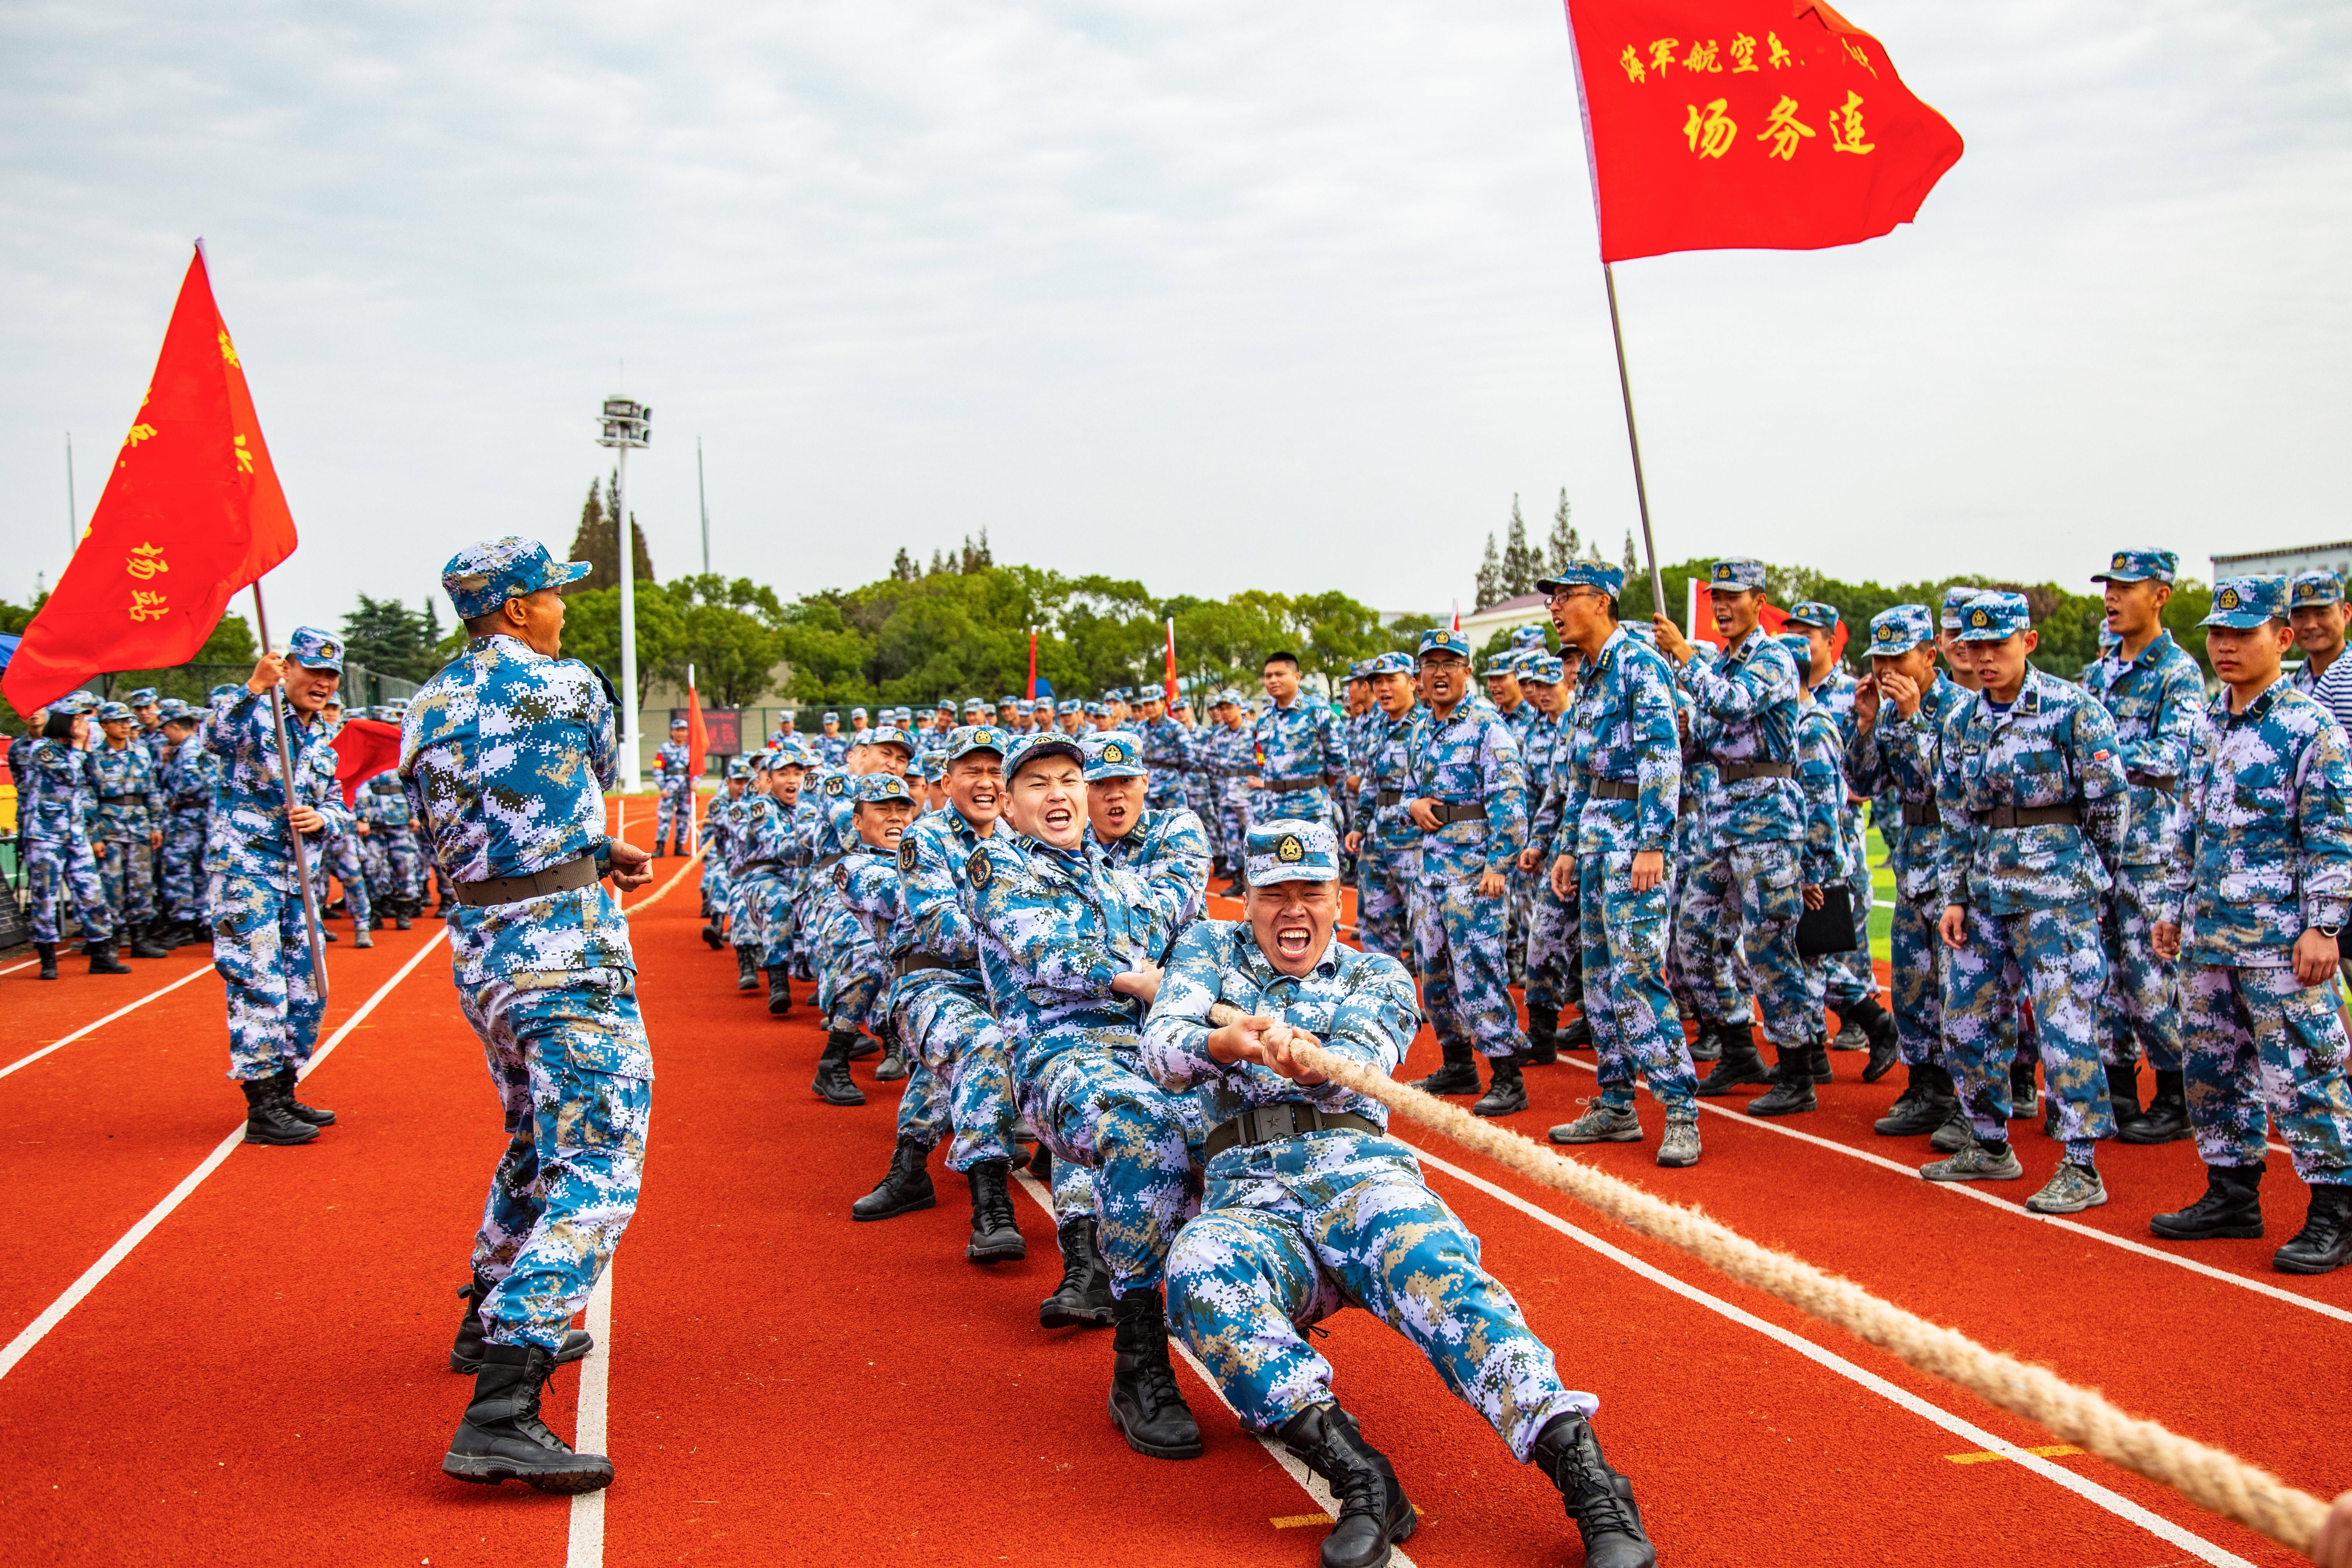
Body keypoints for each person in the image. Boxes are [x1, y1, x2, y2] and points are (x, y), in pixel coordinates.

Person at [1148, 818, 1657, 1568]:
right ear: (1247, 899)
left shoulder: (1376, 975)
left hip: (1355, 1172)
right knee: (1198, 1270)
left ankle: (1587, 1477)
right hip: (1249, 1191)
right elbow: (1163, 1046)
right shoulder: (1204, 952)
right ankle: (1361, 1476)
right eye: (1274, 894)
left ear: (1337, 898)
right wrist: (1224, 1043)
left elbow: (1362, 1058)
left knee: (1442, 1272)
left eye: (1312, 892)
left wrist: (1305, 1059)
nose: (1294, 910)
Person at [404, 536, 654, 1495]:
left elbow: (449, 828)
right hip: (565, 945)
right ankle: (505, 1400)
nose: (563, 608)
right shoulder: (567, 684)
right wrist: (582, 853)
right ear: (513, 608)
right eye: (551, 594)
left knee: (529, 1129)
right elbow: (587, 765)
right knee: (597, 1161)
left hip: (482, 945)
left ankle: (485, 1308)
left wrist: (594, 849)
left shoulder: (424, 700)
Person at [969, 730, 1200, 1460]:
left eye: (1071, 779)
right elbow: (1048, 948)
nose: (1060, 794)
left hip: (1145, 1050)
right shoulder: (995, 865)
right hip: (1059, 1057)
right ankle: (1139, 1362)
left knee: (1243, 1122)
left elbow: (1185, 924)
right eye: (1038, 784)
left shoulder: (1120, 877)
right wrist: (1137, 979)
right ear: (1008, 804)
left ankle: (1241, 1330)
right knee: (1141, 1128)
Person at [2149, 576, 2352, 1274]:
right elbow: (2187, 827)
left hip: (2279, 942)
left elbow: (2332, 835)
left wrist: (2324, 927)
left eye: (2244, 633)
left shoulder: (2309, 728)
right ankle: (2232, 1194)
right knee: (2213, 1072)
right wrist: (2172, 909)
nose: (2226, 646)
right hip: (2209, 937)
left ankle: (2336, 1208)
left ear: (2283, 639)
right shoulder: (2208, 722)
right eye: (2218, 633)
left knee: (2305, 1073)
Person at [1929, 591, 2129, 1214]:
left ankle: (2081, 1165)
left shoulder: (2074, 711)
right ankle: (1988, 1144)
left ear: (2028, 643)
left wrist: (2092, 878)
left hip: (2057, 896)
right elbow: (1956, 815)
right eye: (1974, 647)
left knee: (2065, 1027)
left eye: (1998, 645)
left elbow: (2110, 806)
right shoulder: (1962, 722)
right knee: (1965, 1020)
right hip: (1986, 890)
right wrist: (1955, 895)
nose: (1985, 658)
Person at [1540, 565, 1701, 1166]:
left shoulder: (1639, 663)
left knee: (1637, 976)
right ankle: (1615, 1103)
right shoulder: (1590, 677)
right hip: (1597, 845)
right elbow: (1583, 772)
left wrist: (1653, 843)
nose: (1555, 608)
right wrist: (1567, 848)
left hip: (1636, 845)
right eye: (1551, 599)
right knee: (1600, 976)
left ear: (1601, 601)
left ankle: (1681, 1108)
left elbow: (1663, 757)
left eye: (1565, 597)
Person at [1651, 560, 1822, 1114]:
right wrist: (1680, 722)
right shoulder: (1720, 663)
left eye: (1733, 597)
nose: (1722, 607)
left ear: (1758, 600)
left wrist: (1683, 659)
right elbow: (1704, 738)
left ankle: (1797, 1068)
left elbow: (1734, 704)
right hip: (1719, 816)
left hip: (1768, 817)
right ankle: (1736, 1044)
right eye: (1717, 597)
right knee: (1692, 937)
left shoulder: (1773, 657)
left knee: (1769, 943)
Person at [2081, 549, 2206, 1143]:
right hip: (2099, 849)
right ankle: (2119, 1087)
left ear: (2161, 596)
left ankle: (2178, 1094)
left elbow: (2173, 756)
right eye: (2109, 586)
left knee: (2149, 976)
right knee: (2102, 978)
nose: (2112, 598)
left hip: (2148, 850)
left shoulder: (2178, 672)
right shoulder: (2099, 671)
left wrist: (2097, 760)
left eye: (2126, 587)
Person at [207, 631, 351, 1142]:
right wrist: (252, 689)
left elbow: (339, 804)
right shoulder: (253, 715)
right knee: (259, 986)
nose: (323, 683)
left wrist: (323, 819)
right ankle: (262, 1104)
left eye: (331, 675)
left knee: (307, 989)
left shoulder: (321, 738)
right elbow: (215, 739)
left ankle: (285, 1089)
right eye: (313, 671)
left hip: (299, 879)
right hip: (249, 872)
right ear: (286, 667)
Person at [1845, 606, 1967, 1137]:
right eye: (1880, 659)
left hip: (1956, 855)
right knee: (1914, 985)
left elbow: (1953, 784)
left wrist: (1917, 720)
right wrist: (1868, 726)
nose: (1887, 668)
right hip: (1915, 856)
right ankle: (1926, 1087)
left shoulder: (1961, 709)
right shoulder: (1889, 712)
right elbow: (1866, 783)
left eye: (1899, 656)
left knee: (1961, 988)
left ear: (1928, 656)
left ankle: (1972, 1102)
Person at [1401, 628, 1531, 1117]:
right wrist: (1411, 805)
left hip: (1474, 875)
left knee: (1479, 971)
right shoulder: (1420, 731)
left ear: (1466, 672)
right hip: (1430, 873)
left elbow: (1511, 803)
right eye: (1431, 665)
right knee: (1433, 974)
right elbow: (1405, 799)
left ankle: (1507, 1075)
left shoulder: (1486, 727)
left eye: (1449, 664)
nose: (1439, 673)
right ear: (1420, 676)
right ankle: (1457, 1064)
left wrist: (1500, 866)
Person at [1784, 601, 1897, 1063]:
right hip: (1801, 832)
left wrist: (1850, 785)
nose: (1800, 641)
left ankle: (1856, 1024)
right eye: (1793, 632)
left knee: (1834, 936)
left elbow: (1875, 756)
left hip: (1838, 833)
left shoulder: (1853, 693)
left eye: (1808, 633)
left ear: (1831, 640)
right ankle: (1822, 1040)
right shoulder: (1784, 690)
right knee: (1807, 942)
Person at [12, 696, 127, 979]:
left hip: (75, 833)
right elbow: (68, 777)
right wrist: (79, 749)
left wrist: (89, 751)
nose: (83, 724)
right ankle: (48, 960)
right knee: (45, 896)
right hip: (45, 836)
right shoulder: (43, 749)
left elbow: (99, 781)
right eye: (77, 719)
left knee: (92, 892)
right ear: (63, 721)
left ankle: (101, 954)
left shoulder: (81, 751)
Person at [1346, 652, 1422, 965]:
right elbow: (1370, 783)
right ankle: (1386, 997)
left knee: (1424, 927)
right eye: (1378, 681)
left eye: (1392, 680)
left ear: (1413, 683)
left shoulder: (1426, 726)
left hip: (1413, 841)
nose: (1383, 688)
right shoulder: (1377, 726)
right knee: (1375, 922)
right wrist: (1359, 826)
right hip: (1377, 839)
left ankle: (1430, 1008)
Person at [90, 700, 171, 958]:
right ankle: (111, 942)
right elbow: (88, 798)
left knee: (142, 886)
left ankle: (140, 939)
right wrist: (94, 835)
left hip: (139, 828)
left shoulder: (143, 753)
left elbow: (152, 791)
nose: (126, 726)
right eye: (119, 722)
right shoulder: (95, 757)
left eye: (128, 721)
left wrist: (156, 825)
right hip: (110, 829)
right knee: (112, 887)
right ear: (104, 725)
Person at [653, 716, 693, 857]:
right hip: (669, 789)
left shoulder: (691, 750)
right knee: (665, 817)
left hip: (686, 788)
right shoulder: (664, 749)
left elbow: (697, 768)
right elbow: (658, 768)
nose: (681, 734)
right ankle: (660, 847)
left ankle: (679, 846)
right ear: (672, 732)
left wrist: (696, 781)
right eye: (678, 730)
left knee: (684, 817)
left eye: (683, 731)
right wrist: (662, 787)